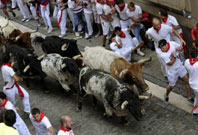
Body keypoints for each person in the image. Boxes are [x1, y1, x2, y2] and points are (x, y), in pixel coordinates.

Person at [158, 39, 193, 104]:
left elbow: (180, 48)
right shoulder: (162, 54)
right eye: (161, 48)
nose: (162, 49)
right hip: (171, 71)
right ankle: (166, 95)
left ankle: (189, 97)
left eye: (163, 47)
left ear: (166, 44)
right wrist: (174, 56)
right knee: (172, 86)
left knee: (187, 80)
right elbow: (170, 63)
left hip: (179, 66)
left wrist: (180, 49)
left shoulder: (172, 43)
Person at [184, 48, 198, 115]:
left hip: (192, 83)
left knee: (197, 97)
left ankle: (195, 111)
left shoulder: (186, 62)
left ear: (190, 55)